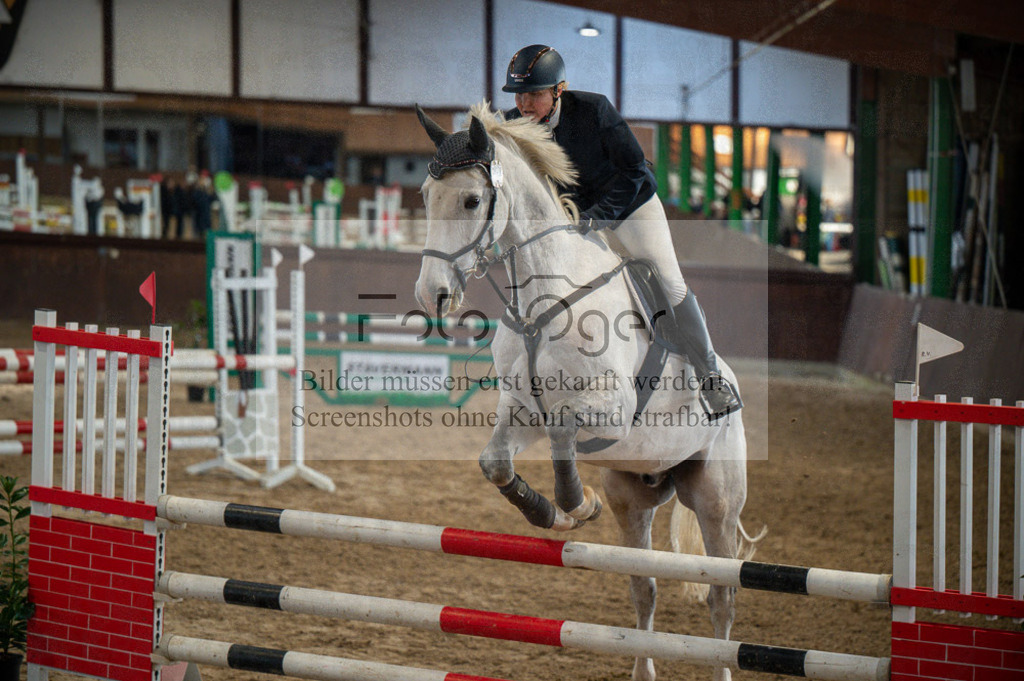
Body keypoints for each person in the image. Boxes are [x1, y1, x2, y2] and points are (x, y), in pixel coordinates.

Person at [502, 44, 741, 420]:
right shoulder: (512, 123)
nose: (525, 104)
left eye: (534, 94)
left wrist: (600, 216)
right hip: (575, 217)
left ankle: (710, 378)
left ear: (559, 90)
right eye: (520, 94)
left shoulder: (594, 110)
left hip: (631, 206)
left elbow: (632, 170)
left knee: (669, 281)